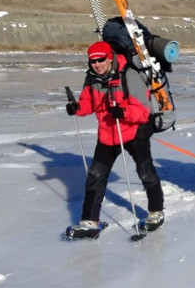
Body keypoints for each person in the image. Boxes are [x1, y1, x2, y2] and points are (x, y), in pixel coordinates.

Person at [66, 41, 165, 235]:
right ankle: (90, 221)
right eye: (93, 61)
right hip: (107, 133)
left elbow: (143, 111)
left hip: (134, 131)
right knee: (95, 175)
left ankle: (156, 211)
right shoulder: (92, 78)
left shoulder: (129, 75)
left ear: (109, 57)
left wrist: (124, 112)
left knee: (145, 172)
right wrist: (77, 108)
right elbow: (88, 103)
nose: (97, 64)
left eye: (101, 60)